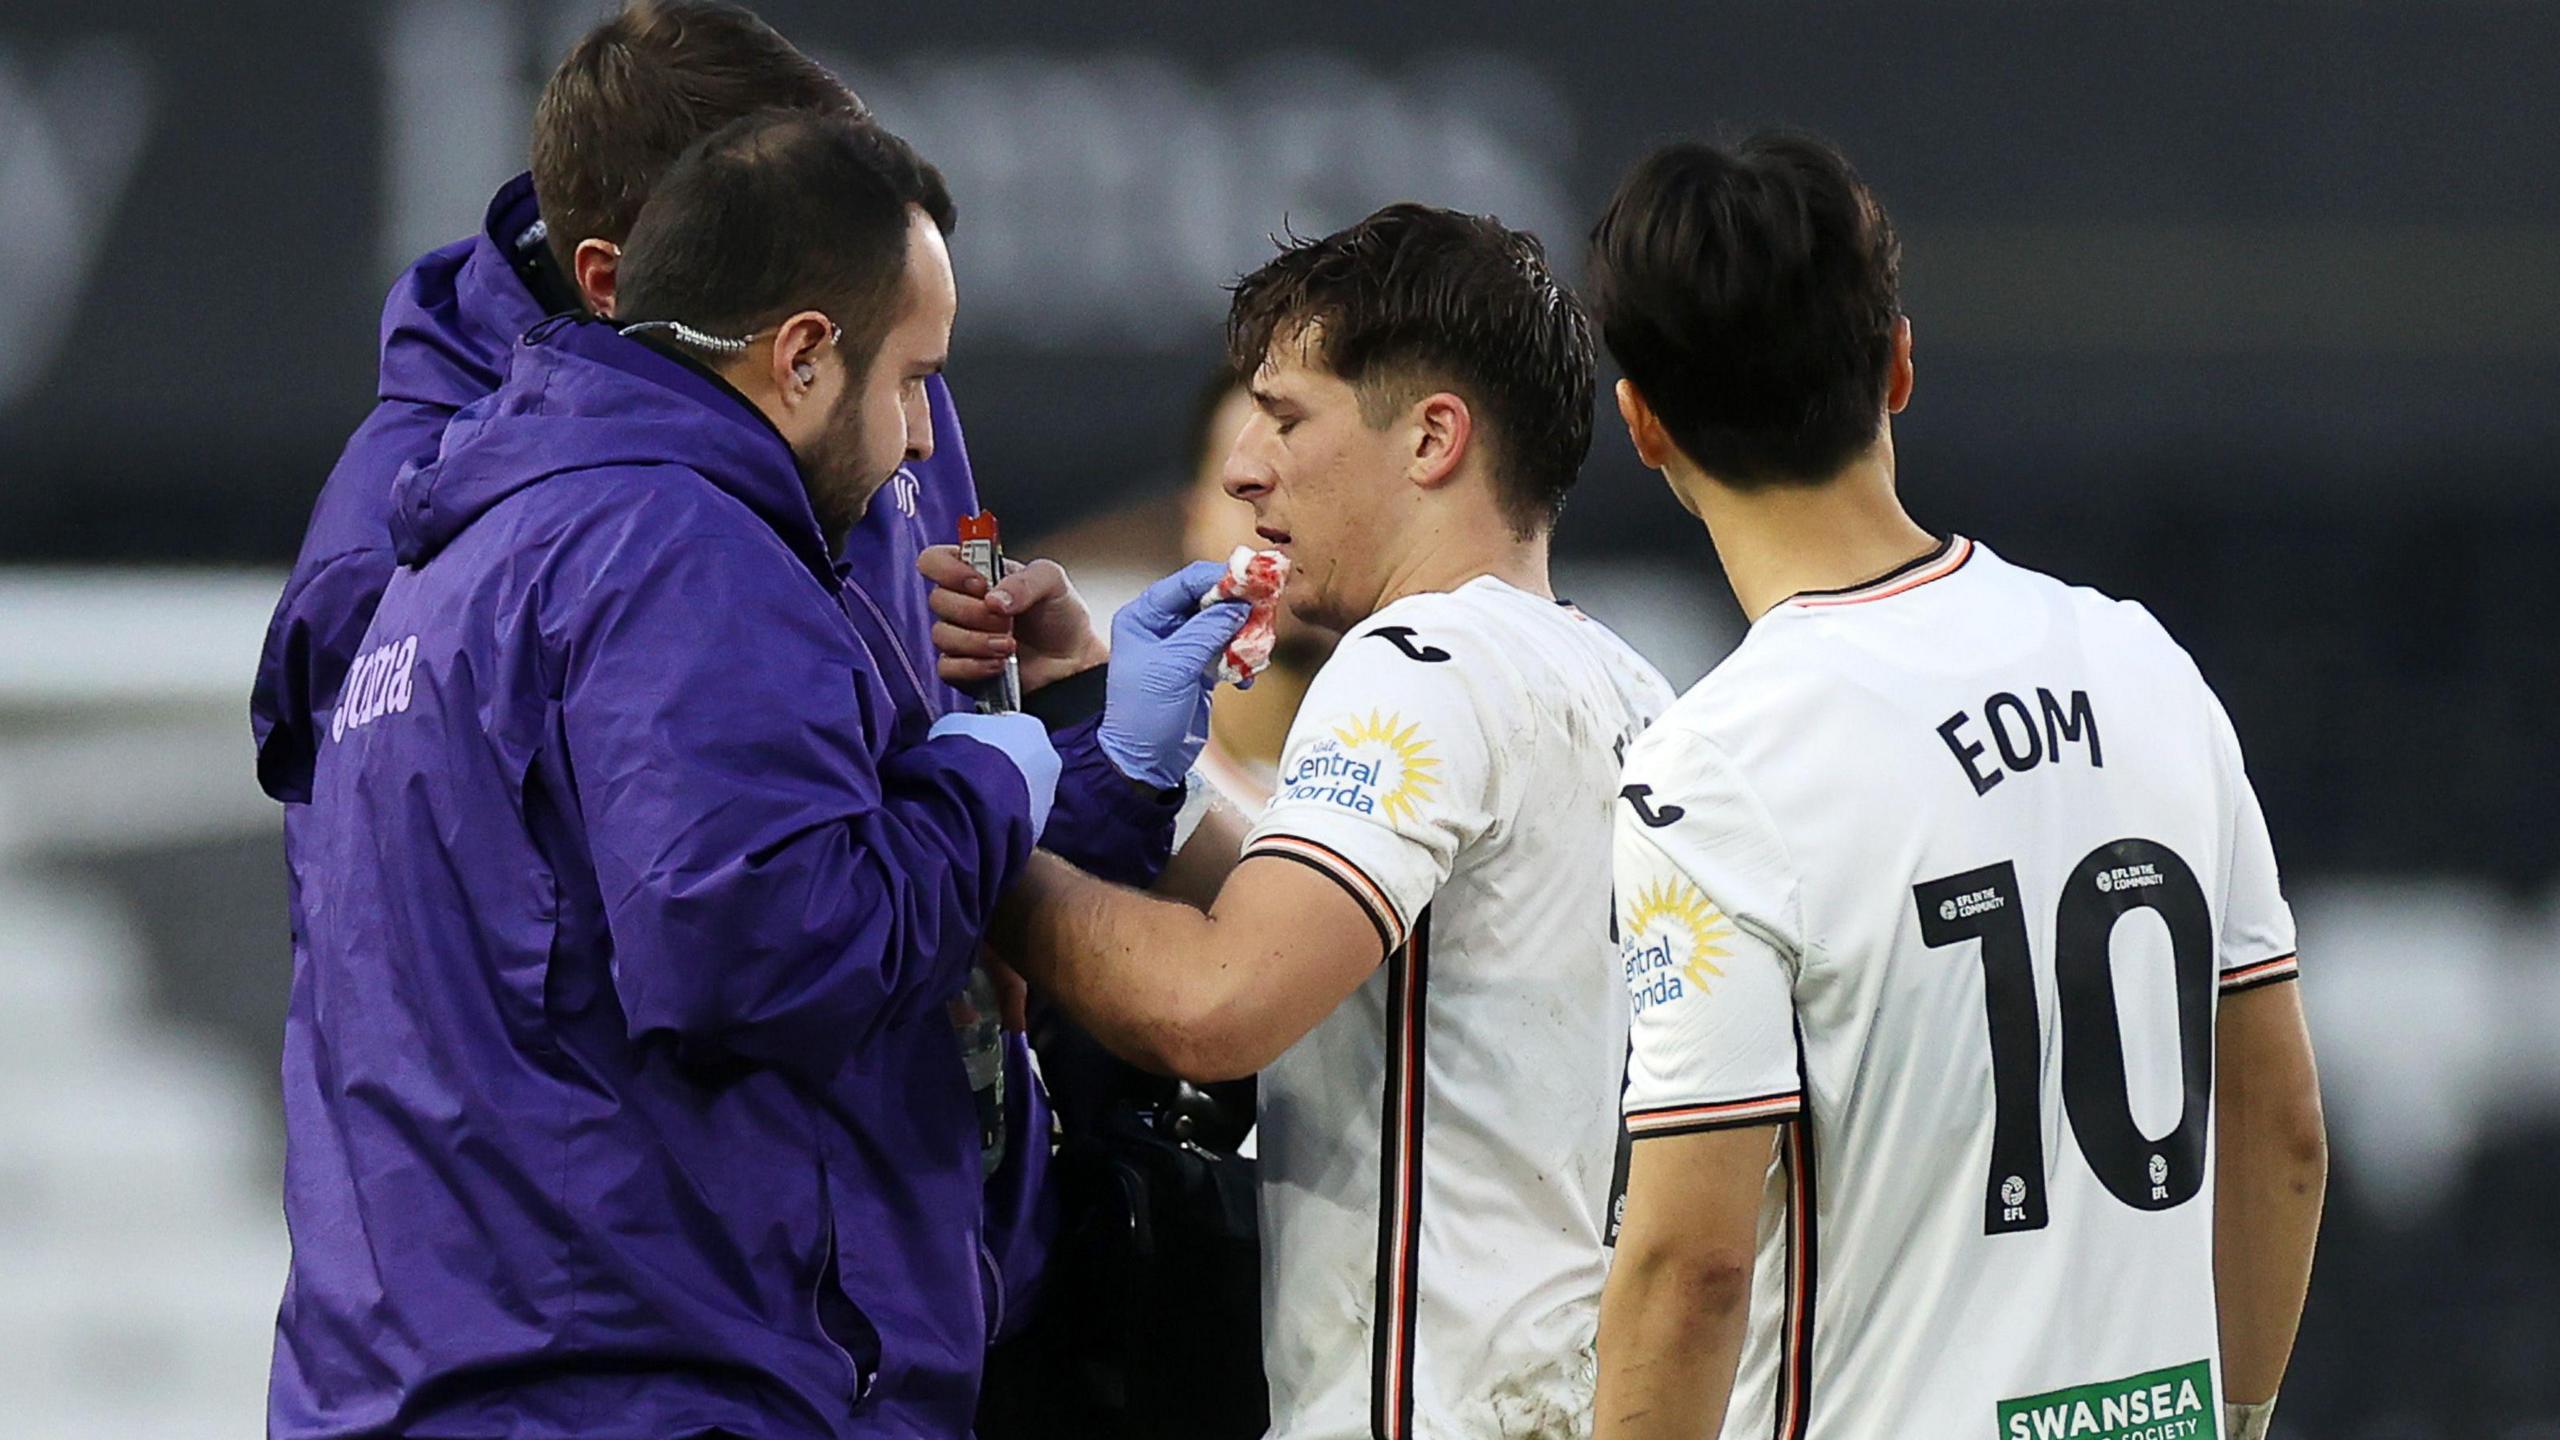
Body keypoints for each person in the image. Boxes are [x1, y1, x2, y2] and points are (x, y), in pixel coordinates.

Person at [269, 110, 1241, 1440]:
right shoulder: (682, 542)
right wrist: (987, 778)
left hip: (473, 1369)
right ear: (797, 359)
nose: (918, 446)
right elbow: (761, 945)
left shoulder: (462, 553)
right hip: (639, 1383)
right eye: (912, 382)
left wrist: (1088, 763)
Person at [1582, 134, 2327, 1440]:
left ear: (1643, 425)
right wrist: (2240, 1411)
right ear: (1899, 363)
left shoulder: (1719, 770)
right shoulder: (2139, 661)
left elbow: (1689, 1272)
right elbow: (2284, 1132)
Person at [932, 203, 1674, 1438]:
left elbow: (1213, 1000)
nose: (1242, 468)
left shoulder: (1419, 659)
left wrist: (961, 831)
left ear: (1434, 436)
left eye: (1286, 418)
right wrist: (1112, 735)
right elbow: (1334, 935)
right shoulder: (1620, 681)